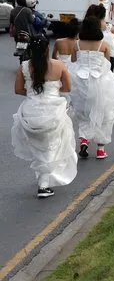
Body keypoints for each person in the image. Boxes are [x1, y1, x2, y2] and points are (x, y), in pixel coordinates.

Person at [12, 35, 76, 198]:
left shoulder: (24, 67)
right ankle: (43, 185)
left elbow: (18, 90)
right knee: (51, 146)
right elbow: (67, 88)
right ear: (48, 48)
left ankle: (44, 181)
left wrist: (34, 93)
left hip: (30, 113)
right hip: (53, 111)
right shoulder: (59, 65)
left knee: (40, 148)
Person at [68, 16, 114, 159]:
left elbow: (73, 62)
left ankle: (84, 140)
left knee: (84, 112)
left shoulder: (77, 44)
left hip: (81, 81)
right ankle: (100, 149)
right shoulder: (103, 44)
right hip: (100, 82)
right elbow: (108, 64)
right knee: (104, 113)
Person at [85, 4, 114, 72]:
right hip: (110, 56)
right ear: (104, 15)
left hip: (93, 56)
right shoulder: (110, 27)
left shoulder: (88, 28)